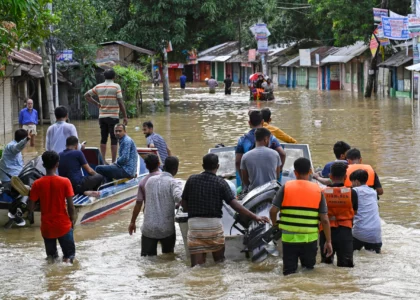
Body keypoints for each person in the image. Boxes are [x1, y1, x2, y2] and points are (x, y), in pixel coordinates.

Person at [182, 153, 269, 267]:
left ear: (203, 166)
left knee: (196, 267)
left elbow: (184, 204)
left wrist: (193, 212)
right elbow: (235, 205)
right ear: (217, 166)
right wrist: (255, 216)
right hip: (214, 225)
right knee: (219, 263)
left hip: (195, 225)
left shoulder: (191, 179)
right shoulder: (221, 183)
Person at [270, 157, 333, 275]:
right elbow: (324, 219)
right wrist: (328, 241)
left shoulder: (286, 187)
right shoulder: (318, 190)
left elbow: (273, 211)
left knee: (289, 273)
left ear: (295, 172)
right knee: (309, 271)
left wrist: (275, 225)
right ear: (310, 171)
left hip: (289, 238)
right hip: (310, 239)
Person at [27, 151, 76, 263]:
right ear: (57, 164)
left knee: (51, 259)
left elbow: (30, 207)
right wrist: (72, 220)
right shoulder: (65, 182)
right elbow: (71, 206)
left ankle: (51, 279)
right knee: (69, 257)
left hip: (47, 227)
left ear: (43, 165)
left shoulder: (37, 184)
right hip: (63, 225)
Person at [133, 156, 182, 256]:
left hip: (148, 228)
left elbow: (145, 202)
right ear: (176, 169)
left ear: (163, 166)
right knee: (168, 258)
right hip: (166, 229)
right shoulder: (174, 183)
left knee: (147, 260)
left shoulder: (149, 181)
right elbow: (179, 198)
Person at [84, 68, 128, 163]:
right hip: (113, 117)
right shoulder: (116, 87)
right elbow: (120, 102)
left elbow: (86, 95)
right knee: (114, 139)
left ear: (104, 77)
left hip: (102, 117)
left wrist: (96, 104)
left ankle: (103, 160)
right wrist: (125, 116)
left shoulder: (98, 87)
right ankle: (113, 161)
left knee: (103, 138)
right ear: (114, 77)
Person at [319, 162, 358, 268]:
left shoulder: (322, 192)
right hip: (345, 232)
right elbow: (355, 212)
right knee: (346, 267)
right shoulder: (352, 193)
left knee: (326, 265)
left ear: (330, 176)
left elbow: (319, 215)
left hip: (326, 232)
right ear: (346, 177)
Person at [235, 110, 286, 187]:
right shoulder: (270, 138)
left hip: (251, 180)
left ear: (249, 122)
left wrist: (243, 181)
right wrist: (279, 171)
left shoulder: (243, 139)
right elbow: (282, 154)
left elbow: (238, 162)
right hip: (269, 183)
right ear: (262, 122)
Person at [350, 169, 382, 253]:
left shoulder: (354, 191)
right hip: (375, 234)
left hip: (359, 232)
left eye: (352, 182)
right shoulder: (373, 192)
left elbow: (350, 211)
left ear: (356, 181)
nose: (351, 185)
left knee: (349, 253)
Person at [128, 154, 161, 236]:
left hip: (149, 217)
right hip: (164, 217)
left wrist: (132, 222)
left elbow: (138, 204)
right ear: (159, 164)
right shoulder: (167, 179)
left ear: (146, 166)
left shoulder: (143, 182)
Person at [240, 128, 281, 192]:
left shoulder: (245, 156)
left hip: (253, 193)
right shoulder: (275, 154)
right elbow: (277, 175)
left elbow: (245, 180)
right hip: (271, 192)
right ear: (266, 139)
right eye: (269, 139)